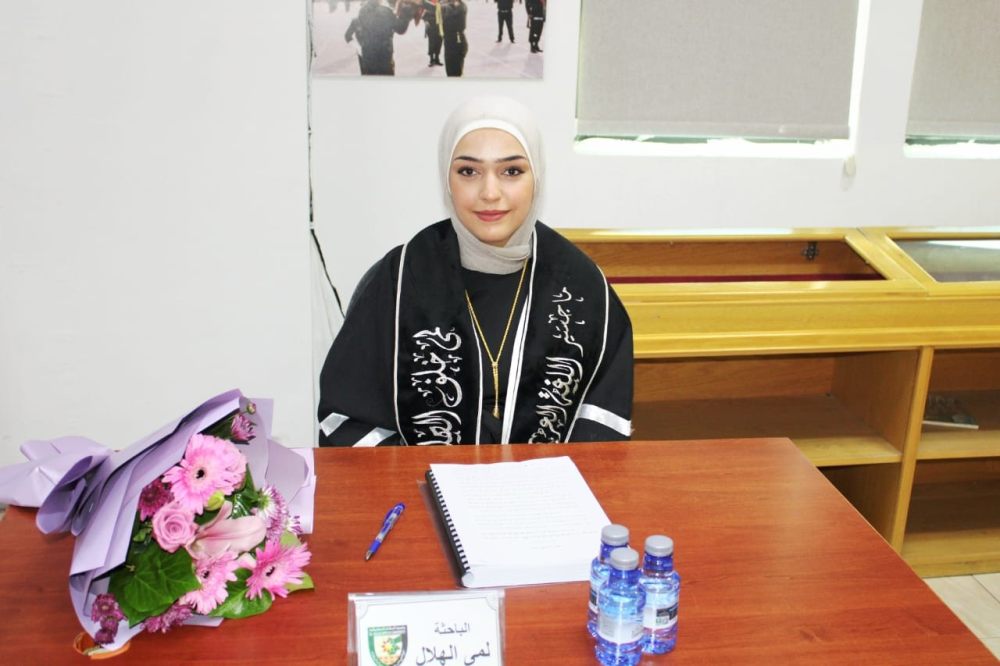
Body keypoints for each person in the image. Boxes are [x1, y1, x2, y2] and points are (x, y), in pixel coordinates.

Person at [318, 96, 634, 447]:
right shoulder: (401, 279)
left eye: (511, 171)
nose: (489, 193)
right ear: (447, 179)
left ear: (537, 178)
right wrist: (417, 475)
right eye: (469, 171)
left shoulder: (582, 286)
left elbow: (601, 422)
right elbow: (346, 420)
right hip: (421, 479)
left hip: (546, 480)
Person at [344, 0, 412, 75]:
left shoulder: (362, 12)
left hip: (367, 55)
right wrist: (407, 12)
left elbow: (349, 35)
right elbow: (401, 29)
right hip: (384, 55)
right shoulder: (386, 12)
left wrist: (359, 48)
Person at [438, 0, 468, 77]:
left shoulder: (460, 6)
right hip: (449, 42)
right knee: (450, 72)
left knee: (455, 73)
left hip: (457, 43)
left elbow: (445, 9)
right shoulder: (448, 4)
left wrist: (422, 2)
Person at [420, 0, 443, 67]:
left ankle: (437, 59)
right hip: (431, 29)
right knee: (432, 44)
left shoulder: (441, 8)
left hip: (439, 29)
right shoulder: (429, 9)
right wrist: (426, 22)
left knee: (439, 43)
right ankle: (431, 60)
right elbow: (424, 17)